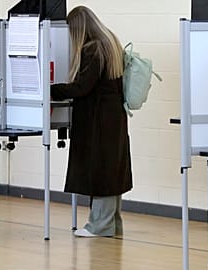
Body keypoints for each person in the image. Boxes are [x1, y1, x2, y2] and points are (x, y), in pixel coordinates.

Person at [50, 6, 132, 238]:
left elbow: (82, 87)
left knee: (101, 171)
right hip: (113, 117)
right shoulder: (110, 42)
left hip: (98, 119)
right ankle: (112, 223)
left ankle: (99, 226)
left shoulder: (93, 48)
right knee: (112, 169)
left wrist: (51, 90)